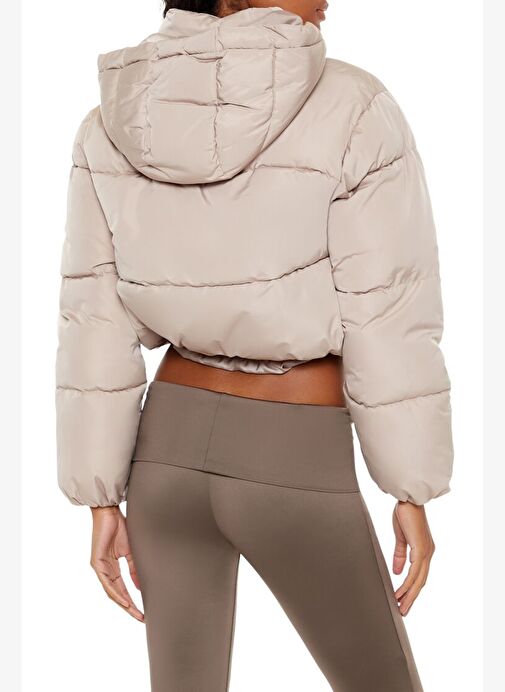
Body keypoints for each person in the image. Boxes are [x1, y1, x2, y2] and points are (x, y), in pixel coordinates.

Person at [54, 1, 454, 690]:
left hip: (164, 459)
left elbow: (93, 317)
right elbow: (387, 310)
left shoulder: (114, 117)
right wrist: (410, 487)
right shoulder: (353, 105)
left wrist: (101, 497)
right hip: (291, 455)